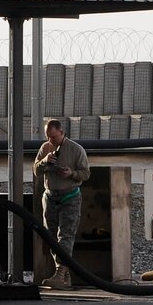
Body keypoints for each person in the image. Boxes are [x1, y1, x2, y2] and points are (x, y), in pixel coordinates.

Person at [32, 118, 89, 289]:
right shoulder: (45, 148)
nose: (51, 140)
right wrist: (44, 161)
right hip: (50, 197)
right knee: (50, 237)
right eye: (48, 137)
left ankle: (60, 272)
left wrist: (72, 173)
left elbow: (86, 173)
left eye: (54, 137)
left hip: (69, 197)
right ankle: (65, 275)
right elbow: (36, 170)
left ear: (62, 133)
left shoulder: (76, 149)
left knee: (65, 236)